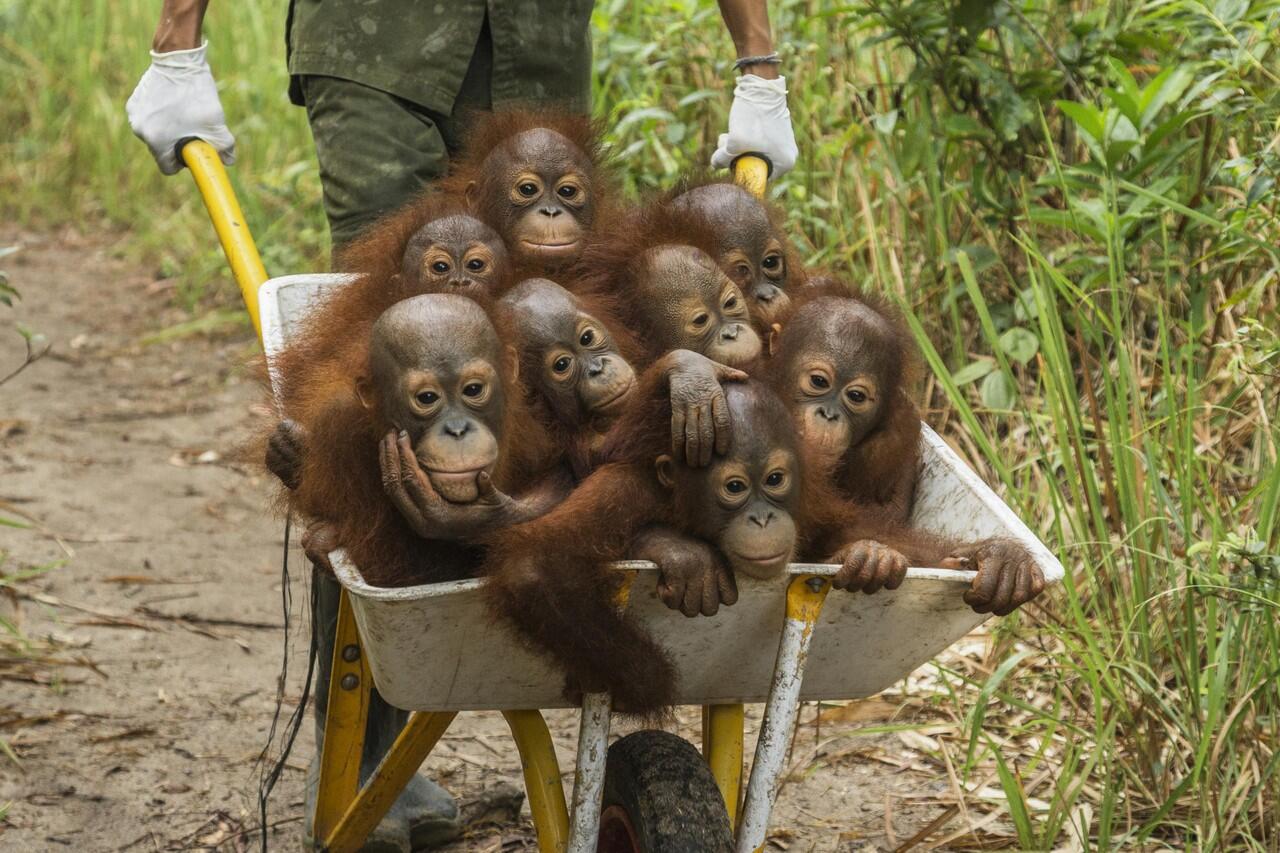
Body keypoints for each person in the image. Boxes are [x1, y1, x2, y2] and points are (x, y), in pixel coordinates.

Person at [127, 1, 798, 849]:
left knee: (573, 303)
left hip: (537, 32)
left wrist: (758, 63)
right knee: (415, 333)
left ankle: (551, 548)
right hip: (378, 43)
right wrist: (178, 37)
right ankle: (372, 752)